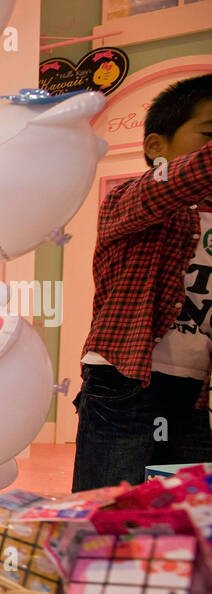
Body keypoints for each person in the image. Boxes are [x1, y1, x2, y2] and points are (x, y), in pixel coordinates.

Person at [73, 75, 212, 491]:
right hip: (123, 384)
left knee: (186, 515)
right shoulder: (127, 200)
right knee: (108, 508)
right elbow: (175, 185)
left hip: (190, 391)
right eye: (208, 134)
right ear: (156, 148)